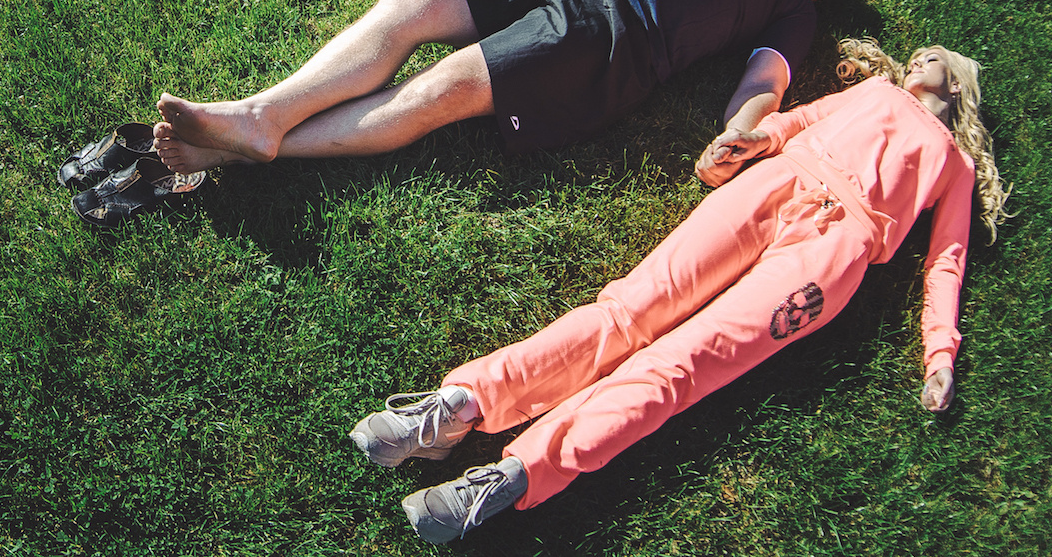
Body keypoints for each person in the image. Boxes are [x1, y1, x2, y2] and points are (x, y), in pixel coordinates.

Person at [345, 38, 1012, 544]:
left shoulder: (951, 165)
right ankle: (461, 405)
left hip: (830, 259)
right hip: (775, 184)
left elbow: (946, 261)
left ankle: (518, 475)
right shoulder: (874, 93)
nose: (923, 57)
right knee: (631, 309)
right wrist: (747, 143)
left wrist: (939, 354)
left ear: (955, 85)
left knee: (686, 364)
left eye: (937, 59)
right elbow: (798, 121)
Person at [155, 0, 844, 173]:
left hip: (619, 33)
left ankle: (248, 144)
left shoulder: (793, 9)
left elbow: (765, 81)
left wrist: (746, 131)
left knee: (445, 86)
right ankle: (261, 119)